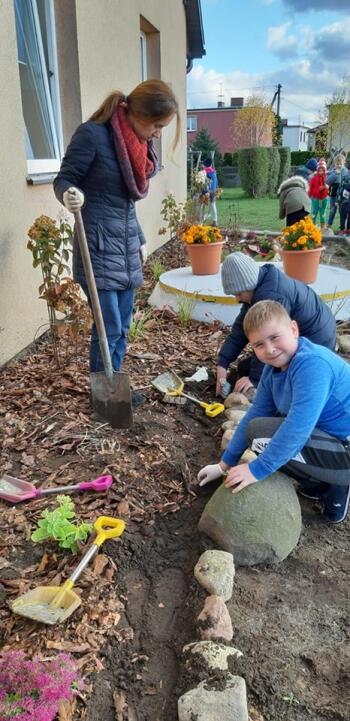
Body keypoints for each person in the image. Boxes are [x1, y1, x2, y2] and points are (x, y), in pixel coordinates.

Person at [54, 80, 179, 405]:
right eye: (157, 125)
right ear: (139, 114)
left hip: (125, 248)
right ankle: (104, 398)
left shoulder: (135, 146)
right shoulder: (93, 135)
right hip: (96, 247)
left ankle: (114, 388)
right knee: (107, 326)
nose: (158, 133)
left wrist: (138, 237)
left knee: (122, 326)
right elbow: (64, 178)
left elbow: (124, 204)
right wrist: (69, 195)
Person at [200, 301, 350, 524]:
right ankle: (319, 485)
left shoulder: (312, 365)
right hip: (327, 436)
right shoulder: (273, 371)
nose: (269, 349)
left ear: (293, 329)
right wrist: (224, 465)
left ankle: (340, 484)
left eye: (275, 337)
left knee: (264, 433)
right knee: (259, 430)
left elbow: (297, 428)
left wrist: (256, 471)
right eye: (259, 344)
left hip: (344, 444)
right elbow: (254, 414)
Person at [216, 252, 336, 397]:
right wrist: (222, 363)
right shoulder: (261, 285)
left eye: (239, 294)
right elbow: (240, 330)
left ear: (249, 285)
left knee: (269, 374)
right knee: (243, 367)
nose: (237, 298)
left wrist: (255, 379)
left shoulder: (271, 296)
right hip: (305, 337)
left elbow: (270, 341)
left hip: (316, 344)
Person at [326, 154, 348, 229]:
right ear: (335, 163)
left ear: (344, 163)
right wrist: (335, 174)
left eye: (340, 164)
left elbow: (346, 182)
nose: (338, 165)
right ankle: (329, 225)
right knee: (332, 210)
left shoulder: (346, 171)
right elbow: (327, 181)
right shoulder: (333, 171)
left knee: (342, 211)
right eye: (337, 164)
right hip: (334, 193)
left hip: (342, 194)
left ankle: (343, 227)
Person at [308, 158, 329, 228]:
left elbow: (330, 186)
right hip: (315, 197)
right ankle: (312, 226)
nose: (321, 171)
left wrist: (327, 187)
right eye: (319, 170)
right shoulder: (314, 178)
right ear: (317, 170)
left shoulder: (327, 177)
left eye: (322, 170)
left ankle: (323, 227)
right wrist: (309, 196)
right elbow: (311, 188)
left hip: (324, 197)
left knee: (323, 213)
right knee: (314, 212)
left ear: (324, 170)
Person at [201, 157, 219, 226]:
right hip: (212, 191)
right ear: (211, 165)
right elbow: (216, 182)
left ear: (204, 165)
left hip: (204, 191)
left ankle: (201, 220)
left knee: (202, 205)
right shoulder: (213, 172)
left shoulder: (203, 172)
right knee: (212, 205)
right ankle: (215, 221)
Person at [337, 172, 350, 236]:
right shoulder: (345, 177)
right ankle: (342, 229)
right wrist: (337, 200)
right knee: (343, 215)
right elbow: (339, 188)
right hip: (343, 200)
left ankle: (348, 229)